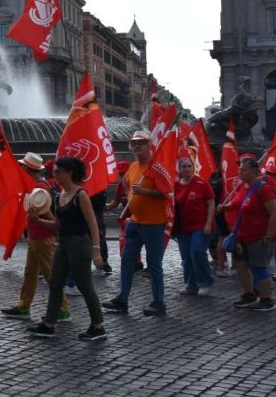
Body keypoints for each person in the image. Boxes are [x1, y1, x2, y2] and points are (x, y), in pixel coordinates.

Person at [27, 157, 107, 340]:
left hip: (80, 244)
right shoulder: (59, 195)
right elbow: (57, 224)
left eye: (58, 172)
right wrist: (38, 220)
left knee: (84, 284)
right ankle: (49, 324)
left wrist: (97, 251)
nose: (55, 175)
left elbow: (93, 224)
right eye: (54, 172)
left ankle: (98, 326)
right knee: (55, 282)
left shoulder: (81, 195)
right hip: (63, 244)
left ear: (69, 173)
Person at [103, 130, 171, 317]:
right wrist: (124, 199)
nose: (136, 147)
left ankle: (159, 302)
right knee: (126, 261)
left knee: (153, 264)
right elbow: (126, 186)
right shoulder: (133, 167)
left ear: (149, 145)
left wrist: (145, 192)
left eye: (141, 143)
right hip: (135, 223)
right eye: (134, 143)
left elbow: (168, 194)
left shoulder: (157, 167)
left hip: (154, 224)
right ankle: (122, 300)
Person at [2, 152, 69, 321]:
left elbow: (47, 215)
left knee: (50, 275)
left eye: (22, 166)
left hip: (43, 237)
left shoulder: (39, 187)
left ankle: (62, 309)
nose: (20, 168)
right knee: (30, 272)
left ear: (27, 169)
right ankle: (24, 306)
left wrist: (53, 229)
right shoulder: (38, 184)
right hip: (37, 236)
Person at [222, 156, 276, 311]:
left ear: (254, 171)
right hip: (241, 236)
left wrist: (268, 235)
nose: (240, 172)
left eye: (243, 169)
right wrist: (224, 207)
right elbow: (235, 204)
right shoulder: (242, 187)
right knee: (241, 266)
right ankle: (249, 294)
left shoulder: (263, 188)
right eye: (240, 169)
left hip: (258, 236)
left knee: (259, 268)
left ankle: (266, 299)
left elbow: (274, 213)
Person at [174, 157, 216, 296]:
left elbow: (211, 203)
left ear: (193, 167)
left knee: (197, 251)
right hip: (183, 227)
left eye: (189, 166)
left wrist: (209, 223)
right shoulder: (176, 185)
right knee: (186, 256)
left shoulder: (202, 183)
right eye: (183, 166)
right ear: (179, 169)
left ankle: (205, 282)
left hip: (200, 224)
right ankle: (190, 285)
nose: (186, 169)